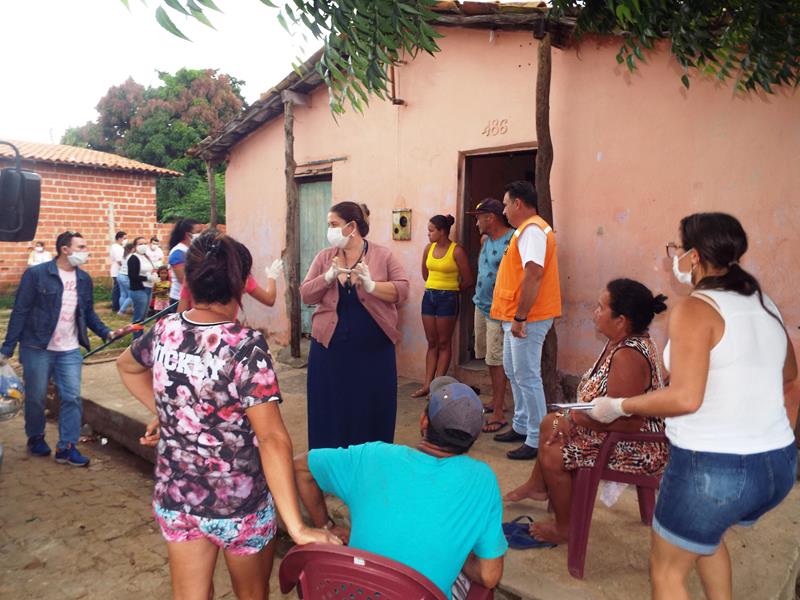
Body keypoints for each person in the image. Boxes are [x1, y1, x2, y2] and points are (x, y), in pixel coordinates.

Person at [116, 231, 339, 599]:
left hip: (178, 500)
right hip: (239, 507)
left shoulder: (165, 330)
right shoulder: (245, 347)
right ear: (238, 284)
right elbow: (272, 438)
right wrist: (297, 527)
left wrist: (171, 413)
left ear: (189, 279)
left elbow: (126, 367)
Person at [589, 213, 798, 600]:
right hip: (778, 466)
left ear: (695, 256)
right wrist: (771, 434)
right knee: (706, 536)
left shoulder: (694, 308)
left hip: (713, 470)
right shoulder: (764, 302)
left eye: (677, 249)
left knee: (667, 573)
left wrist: (618, 405)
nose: (676, 257)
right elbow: (790, 377)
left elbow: (686, 398)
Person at [294, 376, 507, 599]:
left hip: (349, 591)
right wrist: (455, 549)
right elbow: (489, 576)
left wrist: (325, 526)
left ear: (423, 421)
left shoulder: (372, 456)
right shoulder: (483, 481)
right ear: (474, 437)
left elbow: (301, 468)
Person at [504, 279, 669, 545]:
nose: (595, 312)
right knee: (551, 423)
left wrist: (576, 419)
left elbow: (630, 423)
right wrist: (571, 419)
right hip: (612, 433)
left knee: (555, 453)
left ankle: (566, 527)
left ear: (620, 321)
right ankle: (539, 485)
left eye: (601, 307)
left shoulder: (628, 356)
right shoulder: (619, 342)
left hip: (636, 446)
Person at [1, 231, 129, 466]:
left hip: (69, 349)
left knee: (71, 397)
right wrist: (7, 348)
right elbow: (21, 310)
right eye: (81, 246)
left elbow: (88, 313)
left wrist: (107, 332)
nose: (85, 251)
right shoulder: (36, 275)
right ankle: (36, 436)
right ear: (64, 249)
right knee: (37, 397)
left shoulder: (84, 279)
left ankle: (66, 447)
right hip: (36, 346)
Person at [301, 202, 409, 450]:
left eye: (333, 225)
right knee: (330, 407)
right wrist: (326, 278)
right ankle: (331, 466)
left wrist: (373, 287)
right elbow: (306, 295)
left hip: (373, 351)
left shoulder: (383, 256)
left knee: (370, 407)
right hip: (329, 350)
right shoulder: (324, 257)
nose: (329, 230)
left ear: (352, 227)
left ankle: (369, 465)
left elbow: (403, 290)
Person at [491, 181, 562, 461]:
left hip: (528, 317)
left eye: (506, 204)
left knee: (527, 374)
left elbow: (533, 274)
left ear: (518, 203)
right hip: (517, 316)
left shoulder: (532, 230)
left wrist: (521, 317)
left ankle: (537, 437)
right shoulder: (526, 230)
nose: (504, 210)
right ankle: (522, 425)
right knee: (514, 370)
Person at [412, 214, 475, 398]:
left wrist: (451, 289)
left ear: (442, 232)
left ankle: (437, 387)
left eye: (431, 230)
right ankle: (426, 385)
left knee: (443, 342)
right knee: (431, 342)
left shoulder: (456, 251)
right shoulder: (428, 249)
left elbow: (468, 279)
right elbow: (425, 273)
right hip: (429, 296)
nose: (428, 234)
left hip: (448, 298)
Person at [466, 198, 514, 433]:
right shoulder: (486, 240)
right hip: (481, 305)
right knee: (488, 357)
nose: (476, 223)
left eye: (478, 218)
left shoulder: (513, 239)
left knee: (497, 360)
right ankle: (497, 401)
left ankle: (499, 410)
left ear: (491, 218)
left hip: (499, 310)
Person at [176, 255, 284, 316]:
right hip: (224, 337)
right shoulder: (238, 275)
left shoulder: (192, 275)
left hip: (191, 334)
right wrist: (272, 277)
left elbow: (180, 316)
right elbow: (269, 299)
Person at [127, 236, 158, 338]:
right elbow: (132, 275)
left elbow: (151, 269)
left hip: (148, 288)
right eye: (140, 244)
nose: (143, 246)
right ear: (135, 246)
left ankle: (140, 337)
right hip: (139, 289)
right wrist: (147, 278)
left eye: (145, 243)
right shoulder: (133, 258)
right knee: (138, 317)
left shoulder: (146, 256)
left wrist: (154, 275)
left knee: (144, 316)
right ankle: (136, 339)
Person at [167, 219, 202, 305]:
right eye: (198, 232)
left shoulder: (193, 249)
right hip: (180, 300)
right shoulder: (178, 253)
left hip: (195, 298)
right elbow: (183, 279)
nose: (201, 235)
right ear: (188, 235)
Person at [109, 231, 127, 312]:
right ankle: (115, 306)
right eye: (124, 238)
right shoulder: (116, 247)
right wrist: (125, 268)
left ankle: (117, 306)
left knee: (119, 289)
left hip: (120, 271)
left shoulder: (120, 247)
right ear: (119, 238)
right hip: (117, 271)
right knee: (117, 290)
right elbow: (119, 260)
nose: (125, 240)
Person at [117, 241, 135, 315]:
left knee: (123, 294)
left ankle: (122, 311)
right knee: (132, 295)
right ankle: (121, 310)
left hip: (120, 275)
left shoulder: (124, 255)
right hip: (126, 277)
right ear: (132, 249)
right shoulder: (131, 256)